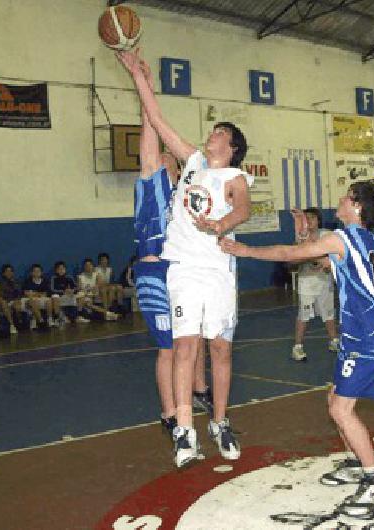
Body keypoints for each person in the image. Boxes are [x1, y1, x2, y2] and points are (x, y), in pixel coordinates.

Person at [220, 181, 374, 519]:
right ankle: (356, 464)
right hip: (361, 334)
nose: (341, 199)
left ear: (357, 206)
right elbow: (323, 263)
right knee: (334, 401)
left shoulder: (343, 237)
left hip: (371, 336)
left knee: (342, 410)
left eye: (347, 196)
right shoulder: (363, 240)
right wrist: (306, 237)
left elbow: (291, 256)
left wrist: (243, 250)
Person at [117, 49, 226, 466]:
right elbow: (153, 134)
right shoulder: (151, 186)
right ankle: (169, 414)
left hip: (184, 272)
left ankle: (197, 390)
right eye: (159, 154)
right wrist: (142, 82)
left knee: (192, 340)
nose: (161, 155)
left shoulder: (188, 195)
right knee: (168, 350)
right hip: (153, 273)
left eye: (168, 156)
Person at [290, 207, 339, 362]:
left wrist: (325, 262)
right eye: (306, 218)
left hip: (325, 281)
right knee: (304, 315)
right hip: (307, 282)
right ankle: (297, 347)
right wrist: (310, 258)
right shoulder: (300, 237)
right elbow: (294, 259)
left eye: (312, 218)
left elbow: (334, 254)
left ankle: (334, 341)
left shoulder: (327, 235)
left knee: (329, 313)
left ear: (318, 220)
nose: (309, 221)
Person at [23, 264, 58, 329]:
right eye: (35, 271)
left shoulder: (45, 281)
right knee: (34, 301)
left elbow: (45, 293)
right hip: (30, 300)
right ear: (31, 273)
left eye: (38, 271)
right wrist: (37, 294)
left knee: (49, 301)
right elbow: (26, 293)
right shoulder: (27, 281)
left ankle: (50, 320)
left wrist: (35, 293)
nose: (36, 273)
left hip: (42, 299)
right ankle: (40, 320)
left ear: (41, 272)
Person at [0, 264, 27, 329]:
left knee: (31, 301)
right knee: (16, 305)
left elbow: (20, 292)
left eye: (11, 271)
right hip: (8, 301)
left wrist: (18, 297)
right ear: (3, 273)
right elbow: (3, 295)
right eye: (7, 271)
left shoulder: (16, 281)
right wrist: (14, 298)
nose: (9, 273)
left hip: (18, 299)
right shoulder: (1, 283)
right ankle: (17, 323)